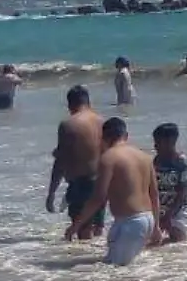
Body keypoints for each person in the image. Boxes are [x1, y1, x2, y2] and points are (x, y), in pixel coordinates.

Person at [68, 118, 158, 266]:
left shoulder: (108, 158)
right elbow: (154, 194)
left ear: (103, 139)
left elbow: (98, 197)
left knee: (118, 272)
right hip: (146, 218)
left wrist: (76, 225)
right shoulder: (145, 157)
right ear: (126, 135)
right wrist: (156, 227)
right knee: (111, 266)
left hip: (131, 222)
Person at [45, 85, 105, 241]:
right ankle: (98, 262)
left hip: (81, 184)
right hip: (102, 182)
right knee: (97, 228)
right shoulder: (102, 122)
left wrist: (52, 192)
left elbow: (61, 162)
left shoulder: (69, 125)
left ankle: (84, 263)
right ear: (88, 102)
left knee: (82, 231)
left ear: (70, 104)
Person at [151, 123, 187, 245]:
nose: (155, 145)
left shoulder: (182, 163)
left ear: (171, 141)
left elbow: (182, 193)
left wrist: (169, 215)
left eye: (158, 142)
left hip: (177, 208)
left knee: (178, 240)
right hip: (159, 206)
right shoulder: (156, 161)